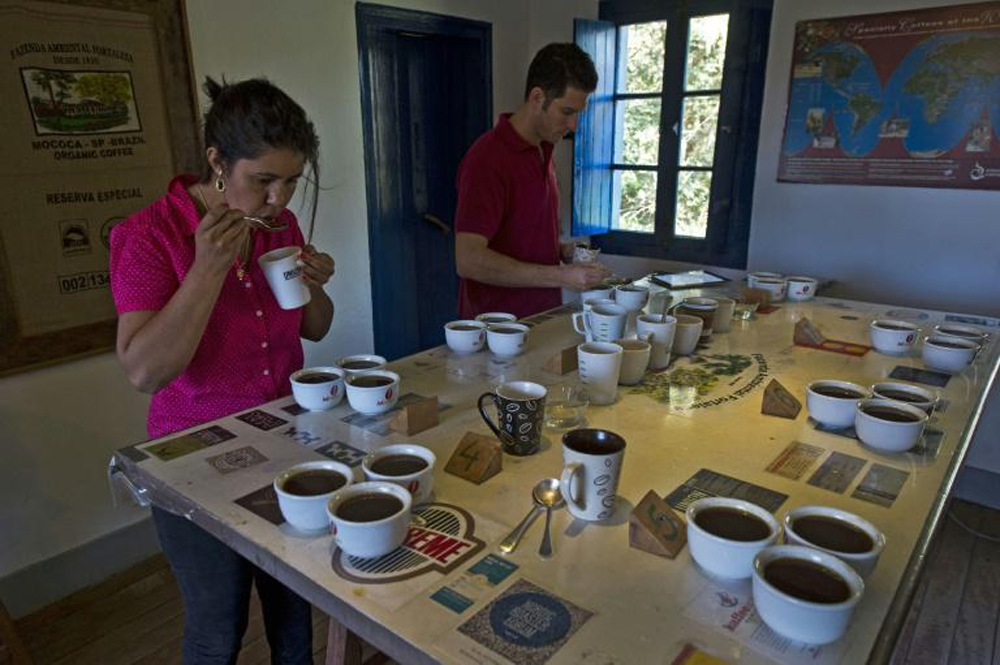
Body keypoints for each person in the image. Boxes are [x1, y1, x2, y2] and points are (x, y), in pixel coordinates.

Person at [110, 77, 334, 664]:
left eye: (291, 180)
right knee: (218, 629)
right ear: (217, 162)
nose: (280, 199)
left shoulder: (277, 228)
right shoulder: (149, 236)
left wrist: (314, 285)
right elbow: (143, 372)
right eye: (264, 180)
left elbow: (314, 328)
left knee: (294, 610)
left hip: (285, 443)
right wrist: (206, 270)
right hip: (194, 463)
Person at [454, 43, 612, 319]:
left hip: (541, 320)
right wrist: (561, 276)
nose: (574, 125)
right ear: (537, 97)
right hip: (497, 333)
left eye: (579, 113)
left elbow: (521, 239)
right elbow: (468, 260)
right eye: (566, 112)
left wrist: (562, 251)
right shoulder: (487, 158)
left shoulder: (544, 150)